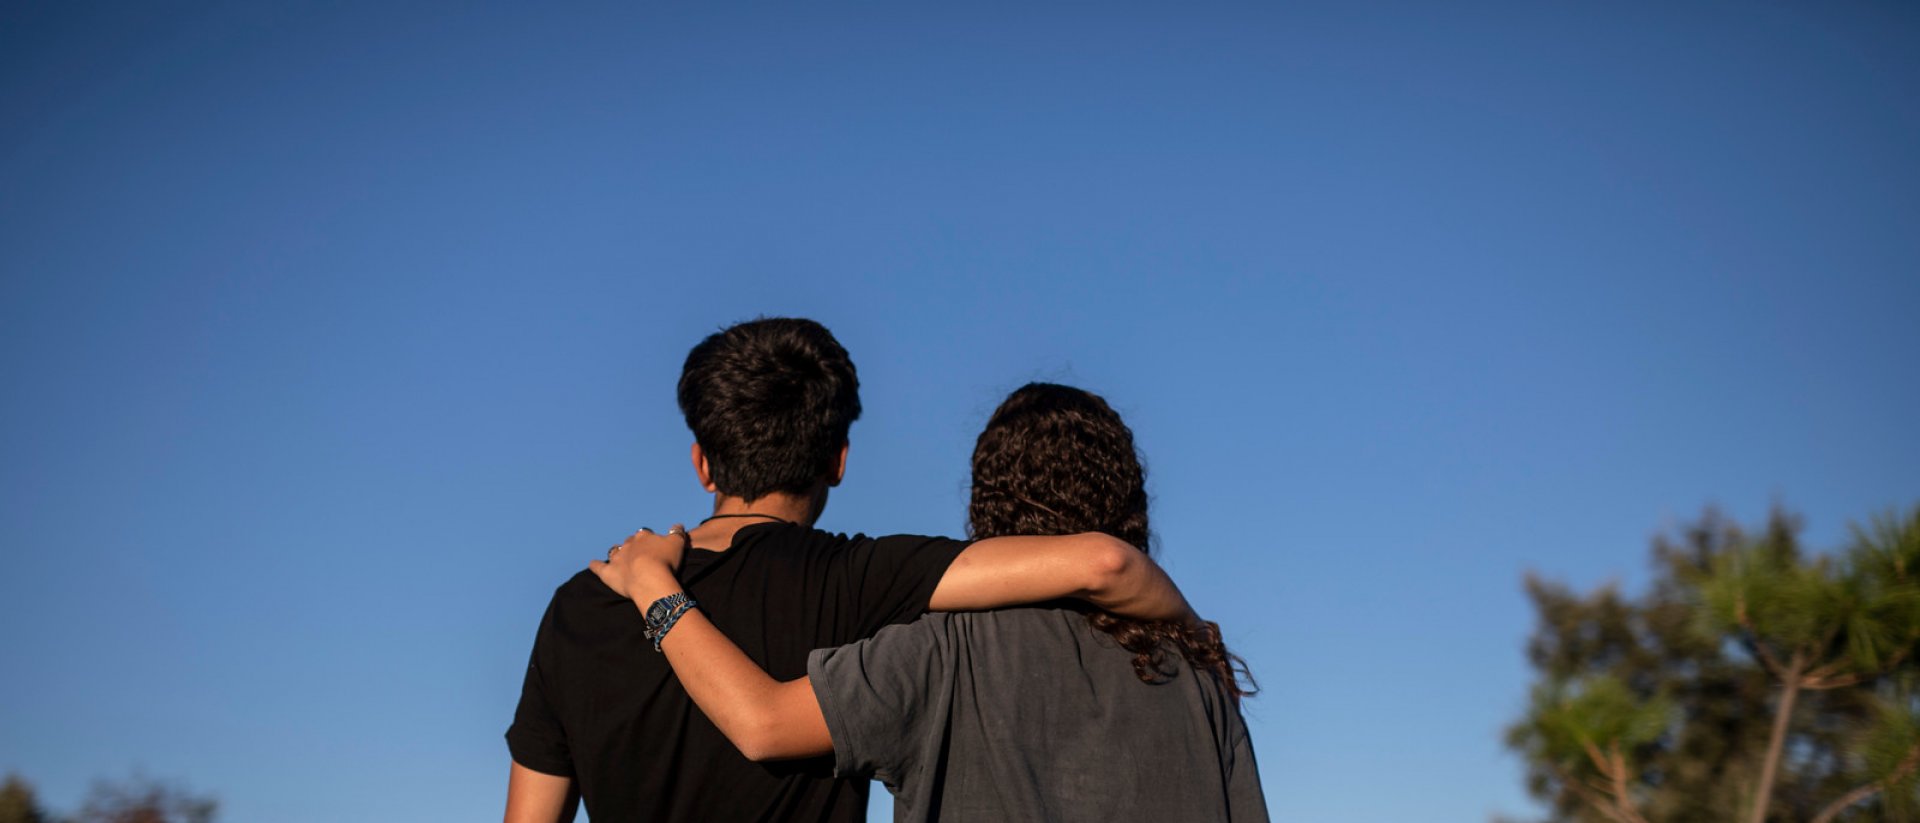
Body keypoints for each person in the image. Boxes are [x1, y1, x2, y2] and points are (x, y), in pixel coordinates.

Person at [504, 321, 1195, 823]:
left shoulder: (583, 603)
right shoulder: (864, 577)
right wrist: (1196, 635)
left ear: (702, 463)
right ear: (838, 458)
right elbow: (1105, 562)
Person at [595, 382, 1268, 822]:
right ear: (1129, 506)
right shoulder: (1200, 684)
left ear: (987, 505)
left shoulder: (942, 651)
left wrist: (654, 585)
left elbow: (762, 722)